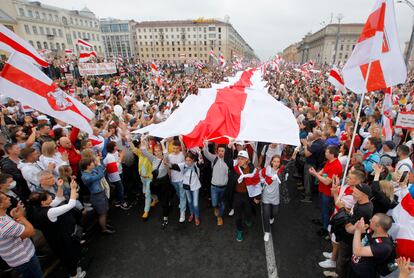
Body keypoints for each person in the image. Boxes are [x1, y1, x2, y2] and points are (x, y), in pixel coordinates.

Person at [28, 178, 86, 278]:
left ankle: (74, 270)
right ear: (43, 202)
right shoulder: (49, 212)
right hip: (61, 239)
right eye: (48, 196)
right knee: (68, 256)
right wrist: (73, 189)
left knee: (67, 255)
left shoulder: (38, 208)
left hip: (55, 238)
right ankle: (74, 275)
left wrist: (59, 186)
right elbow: (71, 204)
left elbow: (58, 199)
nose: (51, 196)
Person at [0, 192, 42, 278]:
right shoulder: (4, 224)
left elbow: (11, 234)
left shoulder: (3, 218)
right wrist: (21, 216)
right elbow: (31, 232)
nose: (9, 198)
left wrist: (15, 218)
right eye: (5, 198)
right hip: (25, 259)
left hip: (15, 259)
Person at [336, 183, 374, 278]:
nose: (352, 194)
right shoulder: (361, 202)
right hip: (349, 239)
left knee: (342, 262)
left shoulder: (364, 210)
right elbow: (352, 215)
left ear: (364, 195)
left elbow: (349, 229)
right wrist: (346, 210)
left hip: (349, 241)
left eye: (356, 193)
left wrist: (341, 209)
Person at [309, 146, 343, 236]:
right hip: (322, 189)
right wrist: (317, 173)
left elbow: (327, 181)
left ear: (332, 154)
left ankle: (325, 228)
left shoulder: (336, 166)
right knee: (323, 208)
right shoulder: (330, 161)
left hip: (327, 192)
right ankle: (323, 221)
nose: (325, 153)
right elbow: (324, 171)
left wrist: (315, 174)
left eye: (327, 152)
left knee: (326, 210)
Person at [350, 213, 394, 278]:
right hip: (355, 265)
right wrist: (359, 229)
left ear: (378, 227)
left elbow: (357, 251)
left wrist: (358, 230)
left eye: (372, 221)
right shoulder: (373, 230)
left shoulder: (384, 246)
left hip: (363, 274)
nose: (370, 220)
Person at [80, 156, 114, 235]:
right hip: (97, 196)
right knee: (102, 213)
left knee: (105, 211)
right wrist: (98, 163)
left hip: (101, 194)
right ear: (88, 166)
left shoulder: (91, 170)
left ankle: (104, 224)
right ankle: (104, 229)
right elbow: (100, 175)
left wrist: (99, 165)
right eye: (92, 162)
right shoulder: (85, 176)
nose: (93, 163)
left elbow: (102, 169)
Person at [232, 150, 260, 242]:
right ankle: (239, 230)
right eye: (238, 158)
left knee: (248, 211)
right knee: (238, 215)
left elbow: (257, 184)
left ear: (246, 160)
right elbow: (228, 159)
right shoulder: (235, 168)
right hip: (237, 195)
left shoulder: (253, 171)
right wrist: (229, 148)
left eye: (241, 159)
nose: (239, 160)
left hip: (248, 195)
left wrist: (257, 197)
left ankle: (248, 218)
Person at [203, 141, 233, 226]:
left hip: (224, 187)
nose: (220, 152)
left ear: (225, 152)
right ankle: (215, 207)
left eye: (222, 151)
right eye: (219, 151)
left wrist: (230, 146)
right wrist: (205, 145)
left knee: (222, 204)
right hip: (214, 187)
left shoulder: (229, 161)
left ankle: (219, 217)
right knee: (214, 203)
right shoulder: (214, 158)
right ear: (217, 151)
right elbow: (206, 153)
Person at [169, 152, 202, 226]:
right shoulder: (183, 165)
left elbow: (201, 163)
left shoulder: (196, 165)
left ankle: (196, 217)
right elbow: (173, 166)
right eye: (186, 160)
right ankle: (191, 214)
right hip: (187, 187)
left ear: (193, 160)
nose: (187, 162)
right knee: (190, 202)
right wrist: (167, 163)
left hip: (195, 187)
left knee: (195, 204)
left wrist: (200, 154)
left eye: (189, 160)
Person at [163, 139, 187, 223]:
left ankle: (182, 213)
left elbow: (184, 149)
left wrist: (181, 140)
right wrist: (163, 143)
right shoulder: (169, 156)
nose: (175, 150)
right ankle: (182, 202)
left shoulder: (182, 154)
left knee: (182, 195)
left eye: (177, 148)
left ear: (179, 148)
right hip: (173, 179)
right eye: (174, 148)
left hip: (182, 179)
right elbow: (165, 160)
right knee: (178, 194)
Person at [260, 155, 283, 242]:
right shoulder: (266, 169)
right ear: (271, 162)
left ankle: (272, 217)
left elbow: (283, 181)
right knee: (266, 214)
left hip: (276, 196)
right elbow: (260, 175)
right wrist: (263, 181)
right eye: (275, 161)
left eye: (278, 162)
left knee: (275, 212)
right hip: (266, 195)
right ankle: (266, 232)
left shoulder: (281, 171)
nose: (276, 163)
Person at [102, 141, 130, 210]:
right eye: (115, 145)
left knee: (119, 188)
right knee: (120, 188)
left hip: (119, 172)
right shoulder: (109, 157)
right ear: (113, 148)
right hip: (115, 176)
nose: (117, 146)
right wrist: (121, 157)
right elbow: (114, 167)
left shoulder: (116, 152)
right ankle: (122, 203)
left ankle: (118, 200)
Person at [302, 130, 325, 203]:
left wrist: (305, 145)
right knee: (310, 180)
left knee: (308, 181)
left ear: (316, 135)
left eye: (313, 133)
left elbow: (307, 154)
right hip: (316, 163)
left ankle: (308, 196)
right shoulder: (320, 142)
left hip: (311, 164)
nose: (311, 134)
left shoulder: (316, 144)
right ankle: (307, 193)